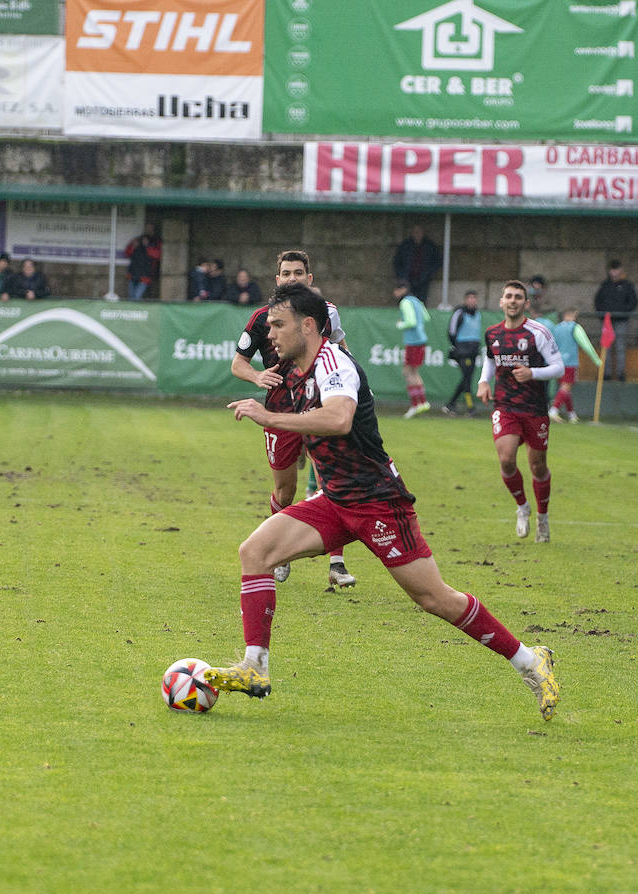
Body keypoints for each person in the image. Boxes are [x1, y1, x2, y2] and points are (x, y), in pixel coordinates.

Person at [208, 282, 559, 721]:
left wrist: (269, 416)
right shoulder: (292, 371)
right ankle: (254, 666)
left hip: (378, 502)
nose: (270, 334)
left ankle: (530, 660)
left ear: (309, 325)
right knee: (255, 552)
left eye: (278, 325)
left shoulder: (334, 362)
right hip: (336, 499)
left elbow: (338, 418)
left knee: (435, 600)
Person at [230, 249, 355, 590]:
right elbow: (238, 363)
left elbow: (342, 350)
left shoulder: (327, 313)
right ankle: (279, 550)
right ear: (277, 279)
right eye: (286, 273)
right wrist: (257, 378)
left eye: (298, 273)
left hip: (318, 408)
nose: (292, 279)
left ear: (309, 279)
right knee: (285, 492)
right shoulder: (261, 318)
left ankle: (337, 563)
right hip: (279, 413)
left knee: (333, 481)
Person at [476, 281, 564, 543]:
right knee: (506, 460)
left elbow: (559, 367)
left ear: (526, 303)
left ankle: (543, 517)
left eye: (518, 297)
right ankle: (522, 507)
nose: (512, 301)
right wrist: (483, 381)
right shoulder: (492, 333)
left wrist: (532, 373)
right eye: (508, 297)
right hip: (505, 407)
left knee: (538, 467)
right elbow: (490, 360)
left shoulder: (538, 333)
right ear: (501, 302)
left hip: (535, 409)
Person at [548, 307, 602, 424]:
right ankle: (553, 410)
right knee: (566, 387)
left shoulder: (556, 328)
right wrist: (596, 359)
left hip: (558, 362)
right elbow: (585, 344)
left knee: (565, 389)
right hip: (570, 362)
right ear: (574, 315)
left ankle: (572, 415)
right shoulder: (575, 327)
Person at [593, 259, 638, 380]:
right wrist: (603, 315)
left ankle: (620, 374)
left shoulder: (627, 285)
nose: (614, 272)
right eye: (612, 269)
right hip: (607, 322)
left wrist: (622, 311)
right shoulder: (605, 285)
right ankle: (605, 374)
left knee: (620, 347)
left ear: (621, 270)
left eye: (617, 269)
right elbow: (598, 301)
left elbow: (633, 302)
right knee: (605, 348)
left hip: (621, 321)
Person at [394, 278, 431, 418]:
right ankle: (421, 402)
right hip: (420, 340)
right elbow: (426, 318)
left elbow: (411, 322)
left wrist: (400, 324)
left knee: (408, 371)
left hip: (414, 340)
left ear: (402, 290)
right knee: (412, 371)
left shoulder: (405, 302)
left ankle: (417, 403)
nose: (395, 293)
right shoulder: (416, 300)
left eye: (397, 289)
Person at [443, 289, 482, 415]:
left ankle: (451, 404)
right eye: (469, 298)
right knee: (467, 378)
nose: (472, 301)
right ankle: (470, 407)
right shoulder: (459, 313)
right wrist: (458, 347)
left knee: (467, 378)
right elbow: (451, 332)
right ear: (465, 300)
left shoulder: (478, 314)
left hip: (473, 351)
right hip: (463, 351)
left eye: (474, 298)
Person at [392, 223, 440, 304]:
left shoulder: (430, 246)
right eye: (415, 231)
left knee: (421, 303)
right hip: (407, 280)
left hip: (423, 280)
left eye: (419, 231)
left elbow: (437, 261)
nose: (417, 234)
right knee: (406, 302)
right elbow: (397, 262)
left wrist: (428, 273)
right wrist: (401, 276)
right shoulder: (405, 246)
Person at [125, 223, 161, 301]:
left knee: (137, 297)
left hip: (145, 275)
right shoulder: (137, 240)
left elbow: (158, 255)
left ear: (154, 230)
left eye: (151, 228)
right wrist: (133, 246)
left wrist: (147, 247)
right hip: (133, 273)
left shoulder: (156, 241)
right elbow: (127, 253)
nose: (149, 230)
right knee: (131, 297)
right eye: (147, 228)